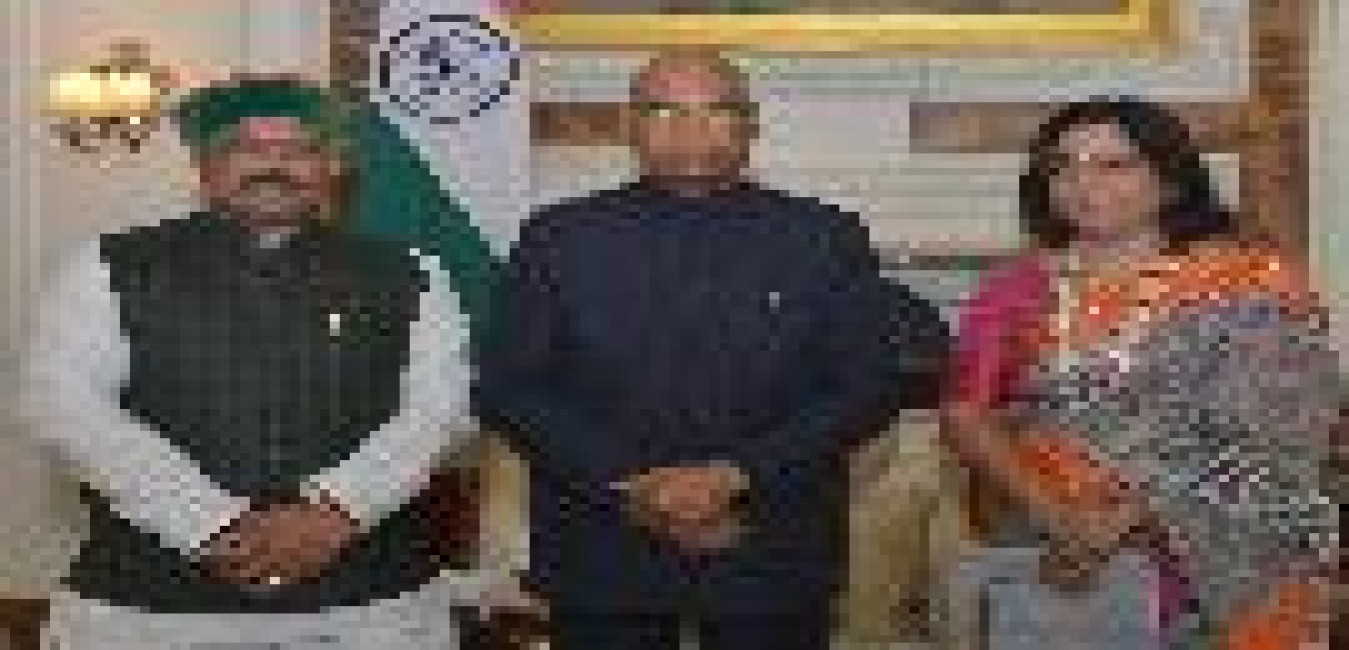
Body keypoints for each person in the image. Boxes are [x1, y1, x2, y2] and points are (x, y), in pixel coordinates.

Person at [474, 50, 947, 650]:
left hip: (769, 544)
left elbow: (867, 386)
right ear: (629, 126)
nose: (690, 129)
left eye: (716, 110)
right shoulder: (557, 237)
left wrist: (736, 477)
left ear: (751, 124)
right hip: (603, 544)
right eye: (664, 110)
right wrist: (631, 482)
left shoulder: (825, 237)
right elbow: (508, 386)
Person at [24, 76, 485, 649]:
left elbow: (442, 411)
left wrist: (337, 511)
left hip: (368, 604)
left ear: (331, 168)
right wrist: (210, 522)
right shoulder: (106, 265)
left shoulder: (412, 272)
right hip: (149, 604)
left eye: (300, 149)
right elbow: (65, 407)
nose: (274, 165)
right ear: (203, 166)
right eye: (246, 147)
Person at [946, 97, 1336, 650]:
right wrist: (1061, 521)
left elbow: (1283, 431)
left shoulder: (1251, 283)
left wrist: (1123, 522)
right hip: (1056, 540)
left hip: (1231, 540)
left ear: (1170, 180)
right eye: (1063, 167)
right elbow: (966, 412)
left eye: (1114, 165)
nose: (1083, 184)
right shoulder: (1016, 286)